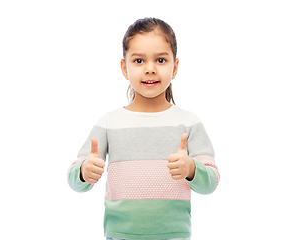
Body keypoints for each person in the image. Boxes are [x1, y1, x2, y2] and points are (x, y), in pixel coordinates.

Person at [67, 17, 220, 240]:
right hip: (119, 235)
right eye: (139, 61)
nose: (150, 69)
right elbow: (74, 178)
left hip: (174, 236)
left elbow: (212, 181)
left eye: (160, 60)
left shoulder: (189, 122)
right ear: (124, 67)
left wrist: (191, 169)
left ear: (175, 67)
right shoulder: (109, 122)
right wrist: (83, 172)